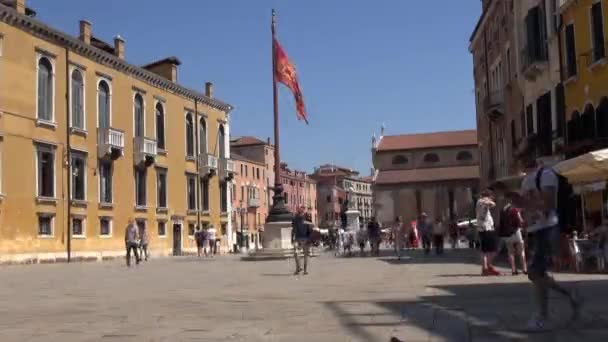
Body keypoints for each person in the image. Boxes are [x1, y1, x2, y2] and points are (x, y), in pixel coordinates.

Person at [521, 163, 582, 330]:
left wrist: (528, 204)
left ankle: (543, 316)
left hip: (547, 228)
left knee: (534, 272)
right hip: (535, 230)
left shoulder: (546, 174)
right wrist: (521, 207)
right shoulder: (526, 179)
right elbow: (528, 208)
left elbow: (549, 205)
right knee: (538, 275)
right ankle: (568, 298)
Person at [498, 191, 528, 275]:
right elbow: (520, 221)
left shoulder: (502, 210)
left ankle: (513, 270)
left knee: (510, 252)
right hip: (516, 232)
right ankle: (524, 269)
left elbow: (500, 223)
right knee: (521, 251)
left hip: (506, 234)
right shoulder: (514, 209)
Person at [476, 189, 500, 276]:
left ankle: (487, 267)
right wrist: (489, 201)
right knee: (490, 249)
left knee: (488, 250)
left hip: (485, 228)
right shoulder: (481, 201)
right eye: (490, 196)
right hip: (486, 228)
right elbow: (492, 204)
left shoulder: (480, 202)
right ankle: (486, 267)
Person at [292, 206, 312, 275]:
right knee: (301, 254)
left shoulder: (297, 218)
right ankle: (302, 269)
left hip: (302, 238)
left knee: (301, 254)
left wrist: (292, 238)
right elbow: (294, 228)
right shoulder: (298, 218)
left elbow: (294, 229)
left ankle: (302, 269)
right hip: (302, 238)